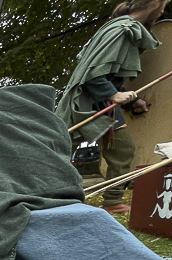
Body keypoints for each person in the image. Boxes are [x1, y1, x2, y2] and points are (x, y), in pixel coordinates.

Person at [56, 0, 169, 214]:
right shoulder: (123, 29)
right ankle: (49, 195)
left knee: (122, 150)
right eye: (163, 6)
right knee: (59, 150)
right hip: (85, 102)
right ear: (154, 3)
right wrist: (114, 94)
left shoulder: (122, 28)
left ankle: (113, 201)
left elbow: (110, 75)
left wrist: (133, 101)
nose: (162, 11)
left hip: (103, 103)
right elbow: (94, 74)